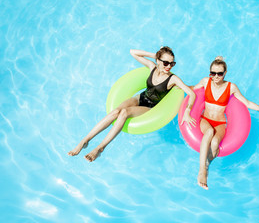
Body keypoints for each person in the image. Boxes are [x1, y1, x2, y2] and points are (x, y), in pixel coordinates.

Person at [68, 46, 196, 162]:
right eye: (166, 63)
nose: (169, 66)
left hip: (149, 107)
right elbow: (133, 52)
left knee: (124, 112)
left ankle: (100, 148)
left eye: (172, 63)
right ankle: (85, 140)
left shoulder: (173, 79)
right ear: (158, 61)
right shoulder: (152, 67)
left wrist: (187, 111)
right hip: (139, 98)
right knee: (115, 112)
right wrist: (155, 55)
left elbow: (191, 93)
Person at [192, 56, 259, 190]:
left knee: (215, 143)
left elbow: (247, 103)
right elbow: (192, 88)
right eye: (213, 73)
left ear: (225, 73)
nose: (216, 77)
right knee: (209, 132)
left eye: (220, 73)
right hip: (205, 119)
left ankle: (207, 163)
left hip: (220, 122)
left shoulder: (231, 87)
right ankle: (202, 171)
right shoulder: (205, 82)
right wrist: (176, 85)